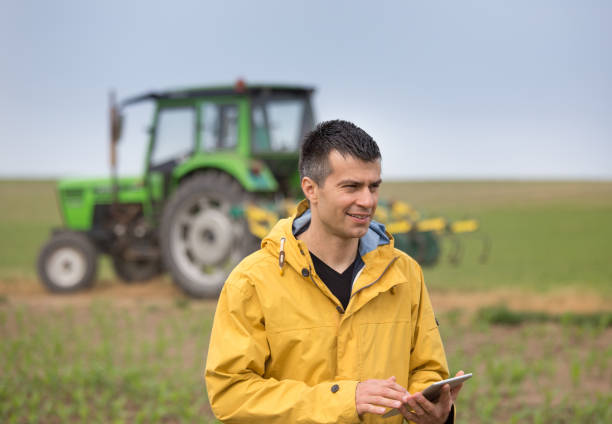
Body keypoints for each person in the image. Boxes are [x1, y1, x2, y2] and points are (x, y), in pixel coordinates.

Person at [205, 120, 463, 423]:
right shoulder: (251, 281)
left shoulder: (405, 273)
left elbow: (427, 369)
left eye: (374, 186)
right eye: (351, 187)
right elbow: (231, 394)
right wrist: (345, 400)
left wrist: (434, 412)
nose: (367, 201)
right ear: (311, 189)